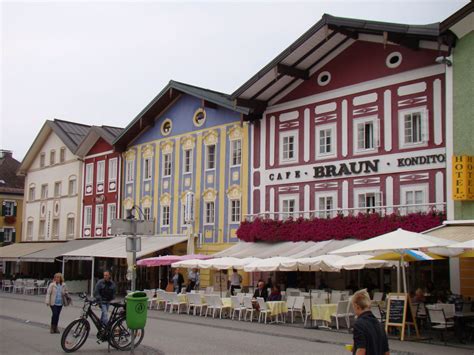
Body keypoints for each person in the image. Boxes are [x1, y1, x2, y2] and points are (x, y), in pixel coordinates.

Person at [351, 289, 390, 355]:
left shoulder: (359, 324)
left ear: (357, 306)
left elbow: (361, 350)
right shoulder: (379, 324)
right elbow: (386, 352)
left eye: (353, 307)